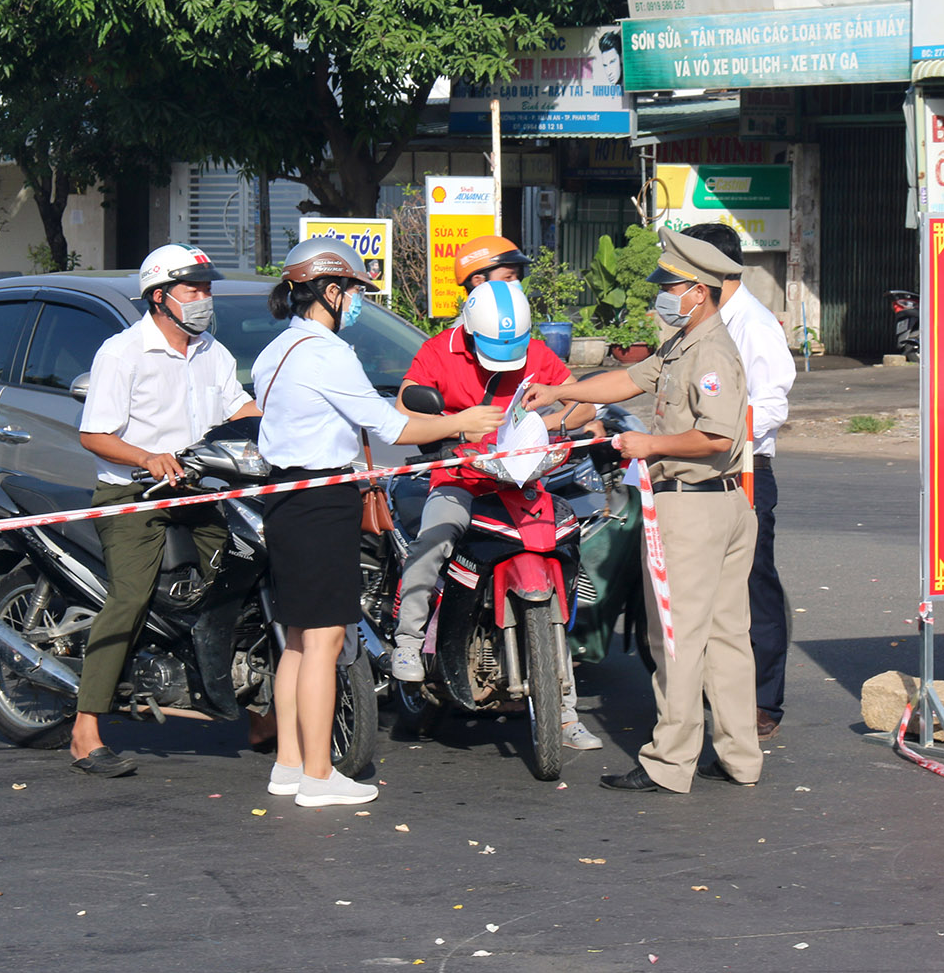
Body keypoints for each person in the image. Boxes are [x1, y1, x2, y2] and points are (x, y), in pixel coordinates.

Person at [253, 236, 499, 807]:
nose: (358, 302)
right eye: (355, 291)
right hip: (321, 501)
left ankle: (290, 765)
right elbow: (394, 428)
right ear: (330, 291)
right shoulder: (326, 353)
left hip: (285, 497)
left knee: (296, 639)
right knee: (325, 641)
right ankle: (318, 775)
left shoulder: (277, 350)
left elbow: (361, 414)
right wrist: (463, 422)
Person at [522, 228, 759, 793]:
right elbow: (629, 379)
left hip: (694, 511)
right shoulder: (684, 344)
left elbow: (716, 439)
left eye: (671, 286)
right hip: (716, 507)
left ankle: (670, 762)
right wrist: (560, 394)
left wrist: (649, 446)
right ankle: (738, 757)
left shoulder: (710, 354)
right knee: (726, 639)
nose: (663, 294)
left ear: (698, 291)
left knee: (674, 638)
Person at [392, 236, 602, 748]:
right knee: (433, 543)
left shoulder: (533, 347)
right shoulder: (439, 350)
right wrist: (456, 423)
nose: (512, 281)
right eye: (502, 274)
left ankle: (566, 709)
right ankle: (407, 639)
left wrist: (551, 418)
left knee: (571, 548)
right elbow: (402, 407)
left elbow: (583, 405)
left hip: (525, 481)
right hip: (462, 482)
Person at [73, 244, 262, 777]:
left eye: (207, 290)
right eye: (193, 290)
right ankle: (86, 730)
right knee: (130, 596)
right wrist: (148, 458)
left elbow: (241, 407)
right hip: (133, 493)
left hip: (198, 488)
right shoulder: (123, 353)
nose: (204, 300)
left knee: (244, 574)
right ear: (160, 298)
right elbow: (94, 433)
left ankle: (242, 705)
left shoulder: (212, 352)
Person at [683, 222, 796, 741]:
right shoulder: (701, 320)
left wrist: (720, 431)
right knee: (710, 592)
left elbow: (773, 403)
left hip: (745, 470)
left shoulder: (751, 323)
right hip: (697, 471)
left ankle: (762, 701)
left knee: (753, 587)